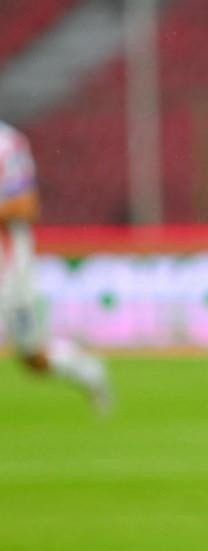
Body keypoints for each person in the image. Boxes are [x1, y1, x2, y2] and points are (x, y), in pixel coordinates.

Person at [0, 121, 110, 410]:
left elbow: (25, 205)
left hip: (8, 266)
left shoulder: (7, 144)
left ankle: (87, 369)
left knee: (32, 357)